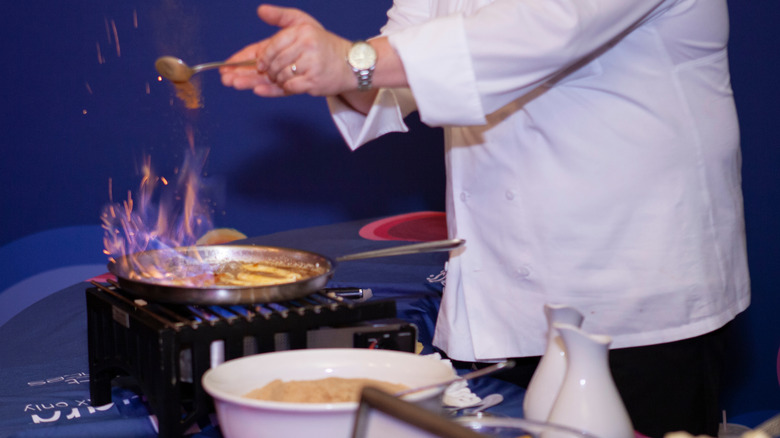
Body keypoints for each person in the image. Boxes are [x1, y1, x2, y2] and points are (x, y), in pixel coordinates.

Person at [220, 1, 750, 436]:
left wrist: (353, 59)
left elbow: (544, 31)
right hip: (501, 304)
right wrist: (317, 67)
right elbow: (389, 77)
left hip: (633, 303)